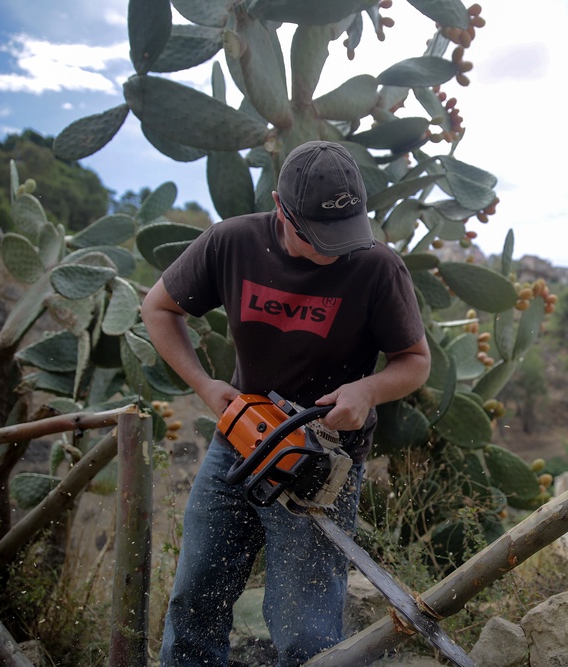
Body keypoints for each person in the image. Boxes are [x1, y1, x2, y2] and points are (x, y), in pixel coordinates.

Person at [142, 140, 430, 666]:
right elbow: (158, 307)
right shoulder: (232, 243)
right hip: (240, 445)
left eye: (341, 237)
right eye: (317, 238)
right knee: (194, 606)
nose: (333, 250)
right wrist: (206, 387)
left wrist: (367, 389)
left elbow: (414, 360)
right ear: (281, 208)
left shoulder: (376, 266)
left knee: (305, 633)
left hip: (322, 466)